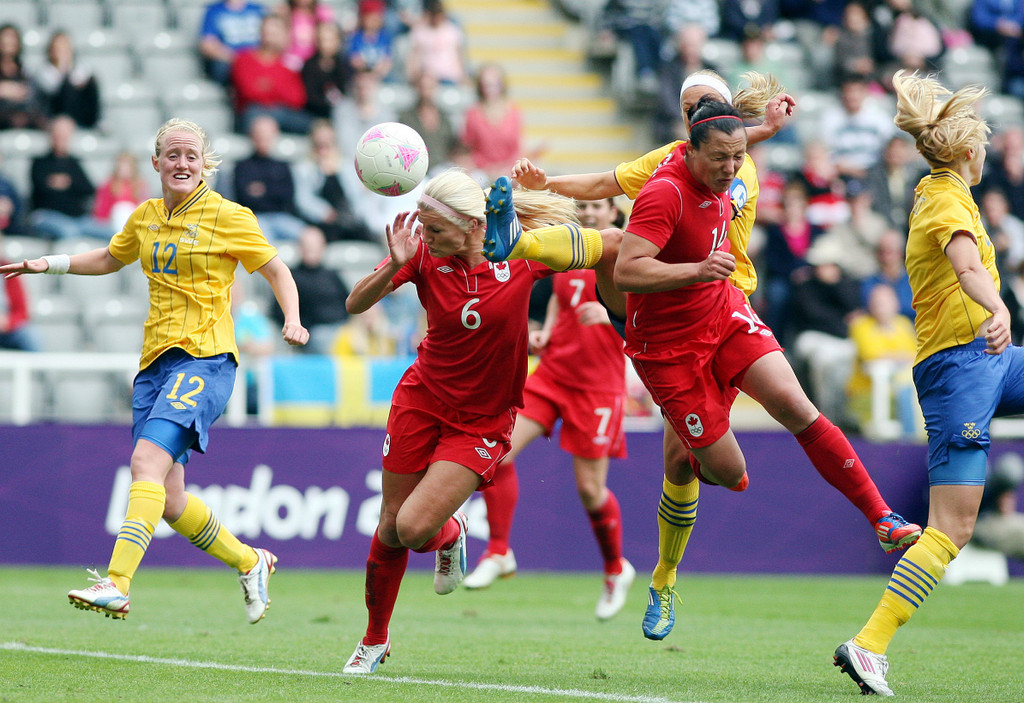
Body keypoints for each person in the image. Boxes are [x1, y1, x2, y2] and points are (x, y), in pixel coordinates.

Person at [489, 69, 922, 643]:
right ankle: (663, 575)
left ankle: (882, 517)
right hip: (667, 339)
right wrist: (550, 185)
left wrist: (766, 130)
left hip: (725, 309)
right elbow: (613, 212)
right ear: (689, 136)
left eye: (736, 151)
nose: (731, 164)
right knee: (722, 472)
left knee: (798, 408)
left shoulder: (732, 155)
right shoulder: (665, 183)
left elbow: (732, 147)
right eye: (716, 147)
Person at [0, 117, 309, 621]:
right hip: (155, 367)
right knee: (169, 499)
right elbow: (109, 257)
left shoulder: (228, 215)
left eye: (191, 155)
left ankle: (117, 583)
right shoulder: (145, 216)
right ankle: (251, 561)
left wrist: (292, 319)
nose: (182, 163)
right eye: (173, 155)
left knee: (144, 463)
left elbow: (276, 269)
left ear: (204, 163)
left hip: (205, 359)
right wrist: (47, 263)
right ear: (157, 162)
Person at [341, 167, 603, 674]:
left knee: (414, 528)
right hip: (421, 400)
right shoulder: (421, 253)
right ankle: (374, 640)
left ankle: (449, 532)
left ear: (473, 227)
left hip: (482, 421)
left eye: (435, 228)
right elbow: (355, 303)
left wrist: (619, 308)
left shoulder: (520, 254)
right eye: (423, 225)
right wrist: (393, 264)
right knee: (391, 525)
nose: (425, 235)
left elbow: (602, 248)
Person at [832, 70, 1018, 697]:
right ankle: (868, 644)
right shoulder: (943, 200)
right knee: (951, 528)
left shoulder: (945, 192)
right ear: (967, 149)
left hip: (987, 359)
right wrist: (999, 306)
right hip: (959, 370)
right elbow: (966, 266)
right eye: (982, 142)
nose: (986, 152)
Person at [463, 197, 636, 621]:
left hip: (597, 386)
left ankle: (616, 569)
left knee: (590, 491)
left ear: (614, 214)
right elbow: (561, 300)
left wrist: (614, 317)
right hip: (553, 373)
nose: (590, 213)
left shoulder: (627, 254)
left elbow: (652, 315)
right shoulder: (571, 250)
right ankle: (499, 551)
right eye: (584, 207)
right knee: (496, 452)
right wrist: (545, 332)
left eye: (598, 207)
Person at [28, 115, 110, 241]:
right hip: (47, 215)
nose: (61, 139)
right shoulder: (39, 163)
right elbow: (41, 188)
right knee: (70, 232)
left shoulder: (74, 163)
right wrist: (67, 184)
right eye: (58, 135)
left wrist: (68, 182)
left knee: (111, 232)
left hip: (77, 218)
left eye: (65, 135)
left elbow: (88, 189)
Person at [292, 118, 375, 242]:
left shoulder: (347, 167)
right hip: (323, 222)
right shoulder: (305, 169)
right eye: (320, 143)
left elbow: (357, 198)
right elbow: (303, 200)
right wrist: (324, 212)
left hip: (349, 219)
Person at [229, 14, 311, 135]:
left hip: (285, 114)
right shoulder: (244, 59)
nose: (271, 37)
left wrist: (267, 86)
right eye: (269, 33)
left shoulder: (290, 64)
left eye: (276, 33)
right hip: (252, 114)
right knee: (263, 124)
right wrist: (279, 91)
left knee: (318, 128)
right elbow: (250, 93)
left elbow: (297, 99)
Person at [274, 224, 349, 354]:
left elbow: (349, 302)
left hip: (343, 328)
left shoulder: (332, 275)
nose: (310, 250)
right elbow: (277, 310)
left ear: (322, 247)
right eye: (307, 245)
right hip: (314, 333)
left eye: (314, 246)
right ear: (300, 247)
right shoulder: (290, 276)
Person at [232, 114, 307, 241]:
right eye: (259, 134)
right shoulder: (242, 167)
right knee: (263, 241)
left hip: (282, 217)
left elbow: (288, 195)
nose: (263, 139)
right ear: (252, 136)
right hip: (255, 218)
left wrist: (263, 190)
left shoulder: (283, 166)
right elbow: (244, 197)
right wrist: (274, 189)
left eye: (266, 135)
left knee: (312, 236)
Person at [460, 63, 530, 182]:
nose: (490, 89)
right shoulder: (473, 114)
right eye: (486, 85)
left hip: (509, 170)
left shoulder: (514, 113)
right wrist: (487, 169)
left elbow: (518, 148)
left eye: (494, 84)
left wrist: (506, 169)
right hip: (481, 171)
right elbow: (467, 148)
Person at [34, 30, 100, 129]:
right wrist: (64, 70)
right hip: (55, 115)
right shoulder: (43, 73)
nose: (61, 51)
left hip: (81, 115)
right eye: (58, 48)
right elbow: (52, 91)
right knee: (66, 87)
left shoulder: (82, 71)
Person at [198, 0, 267, 85]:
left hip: (258, 58)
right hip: (229, 61)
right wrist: (237, 59)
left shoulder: (258, 9)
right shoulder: (213, 11)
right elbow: (207, 45)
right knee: (220, 67)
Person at [973, 451, 1024, 560]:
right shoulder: (983, 479)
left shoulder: (999, 487)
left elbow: (1005, 508)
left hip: (987, 521)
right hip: (978, 527)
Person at [300, 19, 351, 121]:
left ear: (338, 41)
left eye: (330, 40)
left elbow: (346, 93)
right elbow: (309, 96)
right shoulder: (309, 65)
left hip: (339, 115)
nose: (325, 45)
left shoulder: (344, 65)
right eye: (322, 40)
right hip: (312, 115)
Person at [0, 23, 46, 131]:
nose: (8, 42)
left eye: (12, 38)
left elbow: (31, 95)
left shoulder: (25, 72)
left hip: (21, 116)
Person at [92, 151, 150, 236]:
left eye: (127, 166)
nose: (124, 169)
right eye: (121, 166)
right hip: (111, 222)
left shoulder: (139, 185)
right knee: (121, 209)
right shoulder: (108, 185)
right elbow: (101, 211)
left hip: (135, 221)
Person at [0, 234, 41, 351]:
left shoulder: (9, 271)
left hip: (6, 330)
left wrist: (8, 322)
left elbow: (22, 311)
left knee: (30, 335)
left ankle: (38, 363)